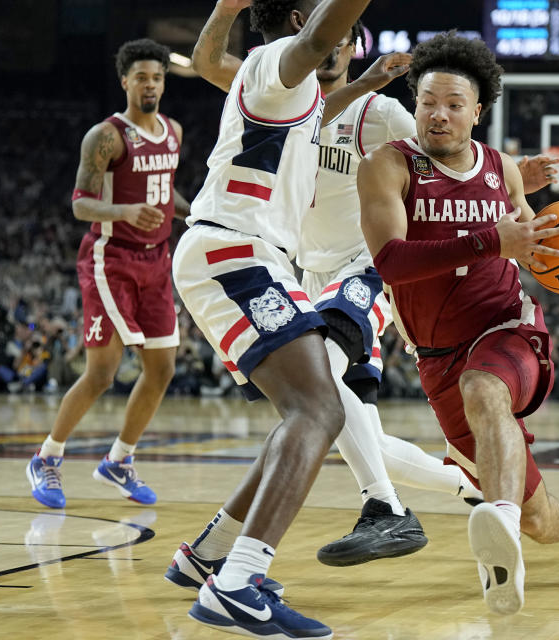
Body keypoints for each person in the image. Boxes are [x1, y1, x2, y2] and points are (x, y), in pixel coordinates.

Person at [178, 0, 559, 570]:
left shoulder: (382, 113)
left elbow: (441, 164)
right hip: (301, 270)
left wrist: (500, 176)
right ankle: (463, 488)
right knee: (330, 417)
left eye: (341, 35)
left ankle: (381, 507)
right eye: (321, 26)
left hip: (368, 266)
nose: (331, 41)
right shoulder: (296, 88)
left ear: (353, 43)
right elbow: (221, 66)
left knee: (319, 402)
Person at [357, 32, 559, 616]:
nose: (439, 114)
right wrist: (492, 239)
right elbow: (391, 263)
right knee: (541, 519)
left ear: (476, 113)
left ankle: (497, 526)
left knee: (485, 389)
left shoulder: (501, 169)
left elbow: (533, 250)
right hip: (436, 356)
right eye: (428, 101)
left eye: (454, 104)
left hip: (507, 328)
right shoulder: (387, 166)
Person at [169, 1, 375, 637]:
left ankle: (209, 556)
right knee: (320, 410)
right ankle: (237, 584)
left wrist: (369, 84)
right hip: (237, 250)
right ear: (295, 19)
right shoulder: (275, 65)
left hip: (246, 254)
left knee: (304, 410)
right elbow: (318, 37)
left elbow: (316, 106)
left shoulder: (295, 94)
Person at [26, 39, 190, 509]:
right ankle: (47, 456)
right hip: (109, 258)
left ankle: (119, 460)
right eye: (141, 76)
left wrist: (193, 212)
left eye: (157, 77)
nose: (151, 84)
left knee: (162, 368)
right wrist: (124, 210)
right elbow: (80, 203)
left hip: (157, 259)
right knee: (102, 371)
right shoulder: (106, 136)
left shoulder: (174, 131)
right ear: (125, 81)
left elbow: (165, 194)